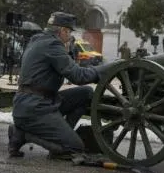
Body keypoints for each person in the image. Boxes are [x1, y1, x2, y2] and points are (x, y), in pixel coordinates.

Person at [7, 11, 110, 160]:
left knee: (86, 93)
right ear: (63, 30)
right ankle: (21, 134)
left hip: (38, 102)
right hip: (35, 108)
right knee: (75, 148)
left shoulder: (38, 39)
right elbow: (78, 76)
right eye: (69, 32)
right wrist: (107, 68)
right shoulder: (53, 44)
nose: (70, 36)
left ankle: (64, 133)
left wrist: (67, 51)